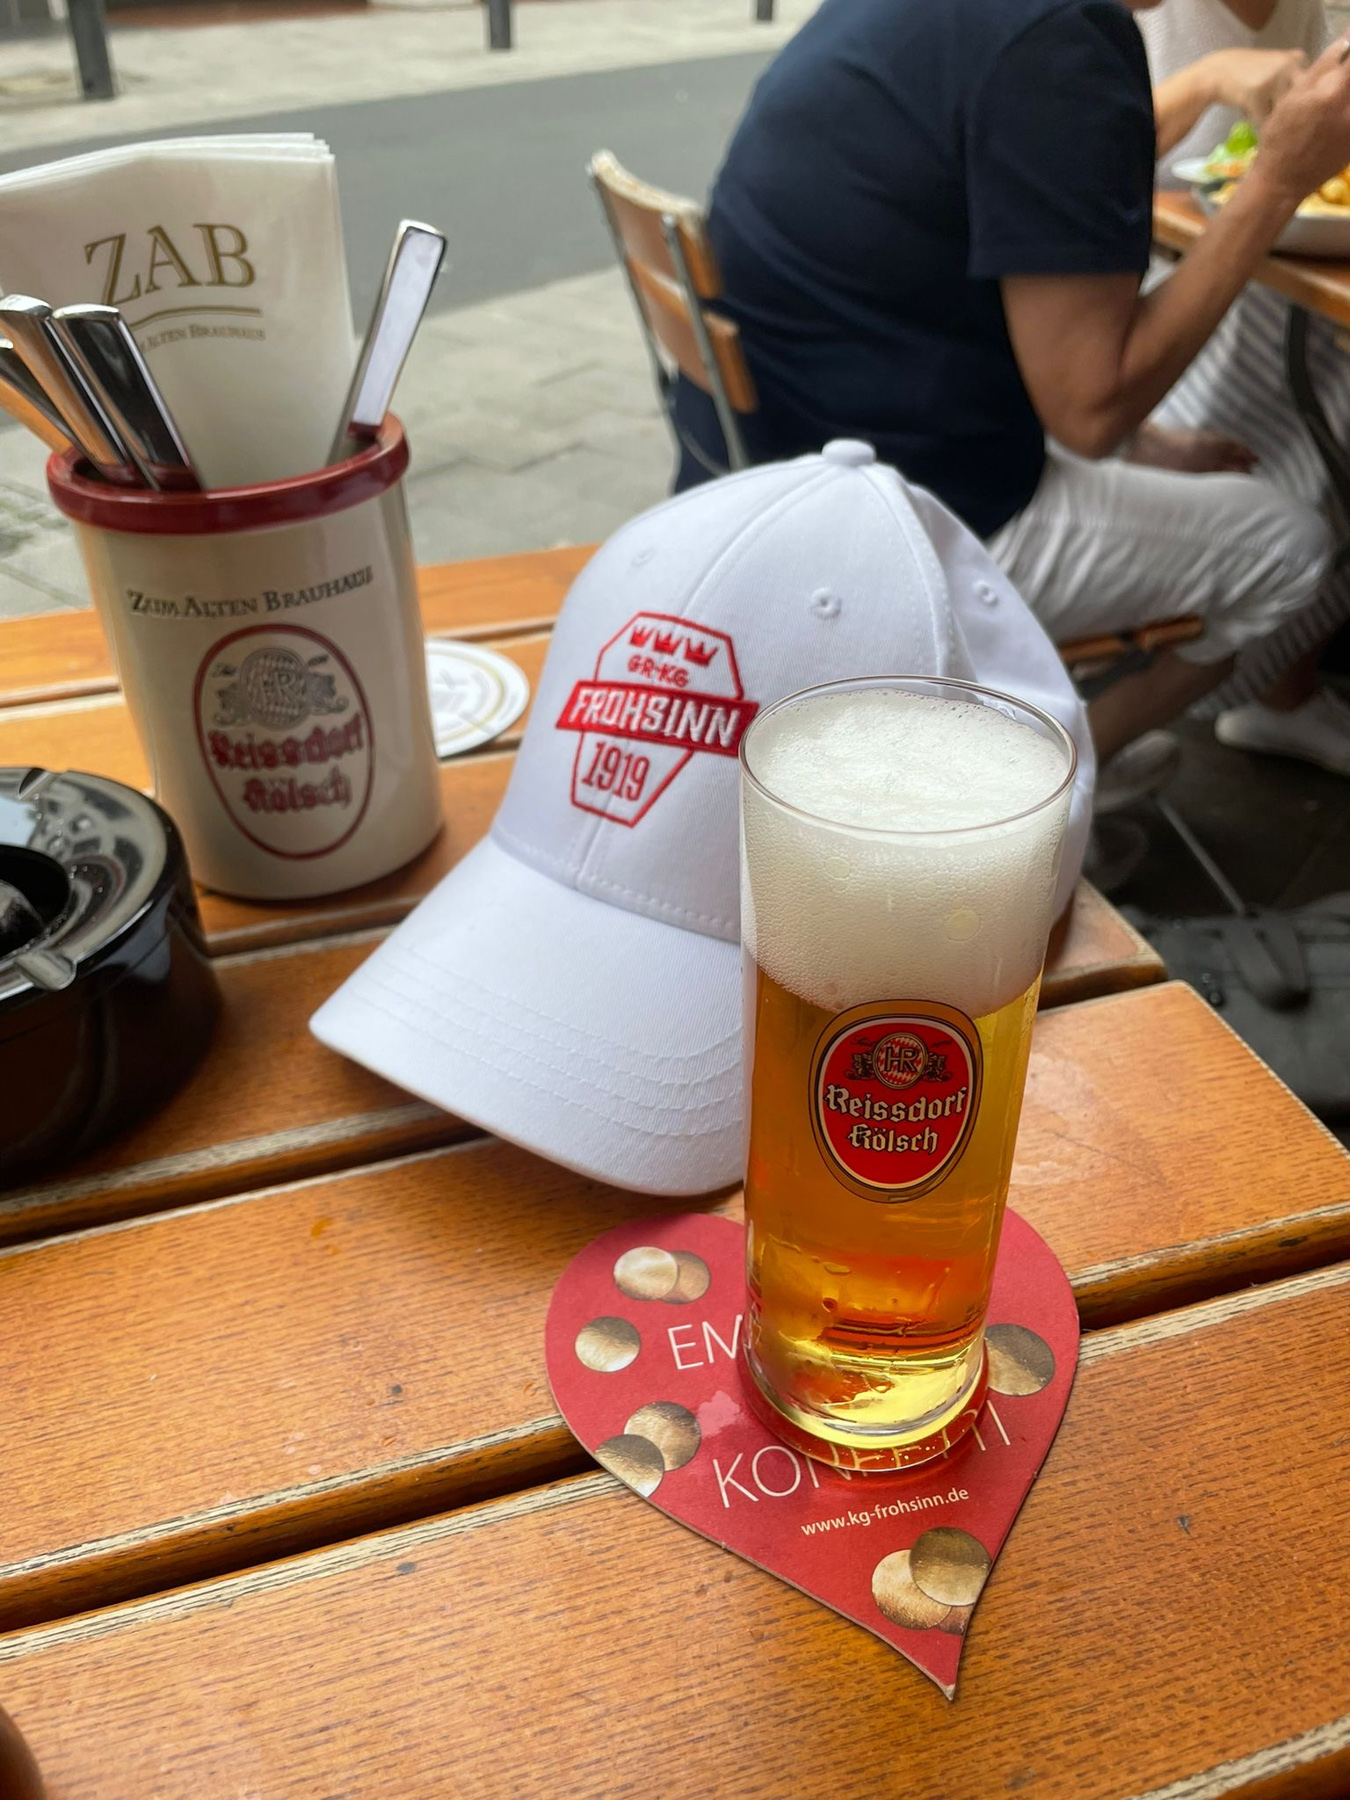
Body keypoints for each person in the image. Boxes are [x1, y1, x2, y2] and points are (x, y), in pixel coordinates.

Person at [671, 0, 1350, 785]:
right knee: (1291, 549)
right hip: (892, 516)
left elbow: (994, 220)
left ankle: (1034, 736)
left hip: (765, 465)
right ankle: (1033, 791)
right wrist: (1277, 179)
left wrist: (1144, 440)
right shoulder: (1062, 39)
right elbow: (1091, 412)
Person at [1140, 0, 1350, 778]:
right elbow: (1068, 159)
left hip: (1275, 272)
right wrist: (1207, 80)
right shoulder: (1138, 15)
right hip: (1138, 292)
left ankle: (1281, 682)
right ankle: (1252, 668)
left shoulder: (1313, 11)